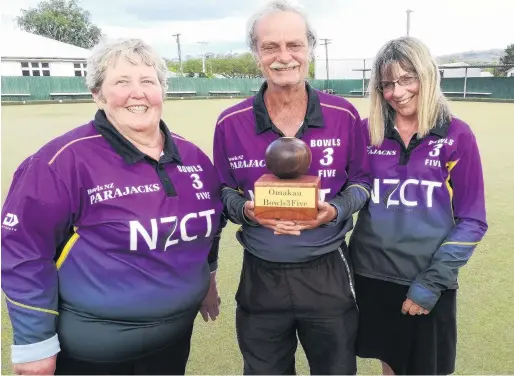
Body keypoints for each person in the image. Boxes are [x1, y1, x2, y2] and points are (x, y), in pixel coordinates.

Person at [1, 38, 225, 375]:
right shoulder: (60, 161)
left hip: (173, 343)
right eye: (122, 82)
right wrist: (35, 344)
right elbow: (22, 250)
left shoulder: (193, 157)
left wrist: (208, 279)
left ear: (161, 91)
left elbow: (209, 226)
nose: (138, 92)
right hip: (93, 357)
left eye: (148, 81)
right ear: (98, 93)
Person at [212, 1, 371, 374]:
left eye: (294, 45)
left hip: (327, 272)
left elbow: (362, 183)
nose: (284, 57)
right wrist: (245, 211)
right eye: (271, 47)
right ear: (257, 55)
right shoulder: (230, 123)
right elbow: (222, 190)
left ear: (310, 50)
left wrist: (335, 210)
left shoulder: (343, 115)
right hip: (261, 276)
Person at [348, 36, 488, 375]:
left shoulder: (457, 135)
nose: (397, 92)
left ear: (427, 75)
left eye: (407, 78)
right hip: (371, 275)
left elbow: (472, 220)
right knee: (390, 363)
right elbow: (346, 190)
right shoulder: (367, 133)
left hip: (426, 280)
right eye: (387, 84)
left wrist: (431, 283)